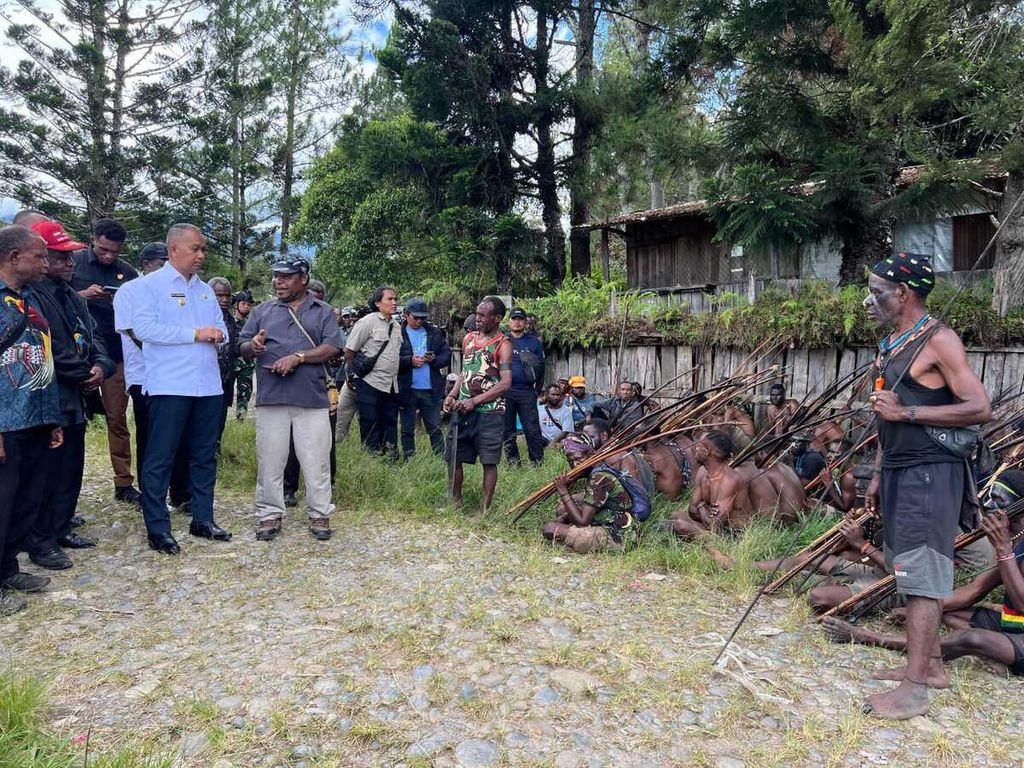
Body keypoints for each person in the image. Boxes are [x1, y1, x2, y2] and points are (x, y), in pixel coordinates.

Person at [859, 251, 991, 719]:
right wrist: (877, 472)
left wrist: (909, 413)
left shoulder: (940, 341)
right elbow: (885, 417)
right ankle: (932, 665)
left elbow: (979, 406)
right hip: (898, 470)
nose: (868, 301)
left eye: (877, 293)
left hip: (930, 473)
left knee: (922, 574)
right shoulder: (893, 342)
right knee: (905, 565)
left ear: (904, 292)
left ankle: (914, 690)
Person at [823, 471, 1024, 682]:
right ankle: (997, 650)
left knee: (970, 638)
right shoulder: (1016, 542)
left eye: (998, 500)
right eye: (988, 498)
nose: (989, 506)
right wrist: (920, 608)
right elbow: (973, 591)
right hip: (1011, 623)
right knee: (939, 615)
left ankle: (869, 637)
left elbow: (1021, 603)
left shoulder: (1007, 545)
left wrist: (1003, 550)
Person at [132, 224, 232, 554]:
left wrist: (217, 334)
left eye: (203, 249)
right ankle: (158, 528)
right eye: (195, 249)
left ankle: (202, 518)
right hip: (170, 384)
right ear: (174, 249)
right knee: (161, 456)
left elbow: (222, 330)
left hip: (208, 385)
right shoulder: (150, 286)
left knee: (204, 455)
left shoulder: (204, 290)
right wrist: (194, 334)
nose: (201, 255)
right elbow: (144, 328)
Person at [25, 222, 114, 569]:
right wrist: (82, 373)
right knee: (47, 473)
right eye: (61, 257)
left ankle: (60, 528)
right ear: (43, 258)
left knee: (71, 470)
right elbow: (52, 349)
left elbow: (95, 337)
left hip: (76, 397)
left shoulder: (71, 295)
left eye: (70, 255)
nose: (70, 263)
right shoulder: (32, 297)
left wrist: (101, 367)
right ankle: (40, 540)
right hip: (50, 396)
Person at [239, 257, 342, 541]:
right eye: (276, 276)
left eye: (286, 277)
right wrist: (254, 346)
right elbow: (242, 346)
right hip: (272, 398)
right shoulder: (262, 311)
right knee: (270, 461)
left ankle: (319, 513)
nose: (278, 281)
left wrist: (298, 357)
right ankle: (269, 514)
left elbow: (333, 347)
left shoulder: (321, 312)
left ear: (303, 278)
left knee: (316, 460)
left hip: (312, 398)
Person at [0, 225, 62, 615]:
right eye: (38, 255)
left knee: (25, 501)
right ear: (13, 258)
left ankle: (8, 568)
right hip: (5, 424)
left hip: (35, 418)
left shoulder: (27, 299)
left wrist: (51, 417)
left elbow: (41, 358)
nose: (45, 262)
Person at [70, 217, 140, 503]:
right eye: (103, 250)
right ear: (93, 240)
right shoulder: (72, 263)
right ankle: (64, 490)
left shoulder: (127, 272)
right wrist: (82, 296)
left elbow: (140, 311)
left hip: (115, 355)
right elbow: (50, 299)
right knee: (70, 423)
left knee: (117, 418)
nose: (109, 256)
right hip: (74, 356)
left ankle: (123, 482)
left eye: (115, 251)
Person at [445, 296, 512, 512]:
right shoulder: (469, 339)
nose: (478, 318)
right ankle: (455, 503)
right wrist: (453, 395)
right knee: (454, 456)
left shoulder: (503, 344)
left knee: (488, 461)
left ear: (497, 318)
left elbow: (505, 383)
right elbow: (466, 372)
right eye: (477, 314)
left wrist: (475, 401)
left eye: (484, 315)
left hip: (490, 412)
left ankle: (484, 510)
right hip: (463, 409)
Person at [542, 427, 650, 554]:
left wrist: (563, 490)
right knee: (563, 512)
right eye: (571, 461)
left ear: (591, 454)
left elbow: (582, 522)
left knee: (549, 528)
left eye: (578, 458)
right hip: (620, 528)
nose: (575, 464)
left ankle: (577, 546)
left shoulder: (599, 477)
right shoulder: (601, 469)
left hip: (618, 537)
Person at [345, 286, 402, 457]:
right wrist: (356, 374)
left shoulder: (396, 326)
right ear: (378, 302)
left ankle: (391, 460)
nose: (394, 302)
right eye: (389, 299)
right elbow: (350, 351)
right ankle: (372, 460)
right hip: (370, 382)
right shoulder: (367, 322)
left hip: (391, 384)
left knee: (390, 423)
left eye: (395, 299)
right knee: (370, 423)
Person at [397, 297, 452, 459]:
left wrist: (434, 360)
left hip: (430, 389)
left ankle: (441, 459)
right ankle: (409, 459)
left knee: (434, 428)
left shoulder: (433, 332)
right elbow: (390, 359)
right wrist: (409, 361)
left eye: (423, 318)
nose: (420, 321)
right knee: (407, 429)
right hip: (407, 388)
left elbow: (446, 354)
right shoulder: (397, 333)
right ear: (406, 315)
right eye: (416, 317)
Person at [503, 307, 546, 465]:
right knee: (507, 430)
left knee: (532, 429)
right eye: (514, 319)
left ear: (525, 322)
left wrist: (538, 391)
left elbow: (542, 367)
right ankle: (513, 463)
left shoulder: (534, 342)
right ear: (509, 322)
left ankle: (537, 462)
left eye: (520, 319)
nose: (517, 322)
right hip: (506, 391)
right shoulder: (503, 340)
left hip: (527, 392)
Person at [208, 277, 239, 445]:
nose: (225, 300)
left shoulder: (230, 319)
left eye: (227, 295)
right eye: (219, 295)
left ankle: (217, 448)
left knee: (221, 415)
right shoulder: (203, 315)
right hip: (208, 378)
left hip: (226, 378)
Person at [232, 290, 255, 419]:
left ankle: (240, 420)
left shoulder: (251, 323)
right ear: (236, 304)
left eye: (249, 304)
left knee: (245, 393)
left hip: (246, 364)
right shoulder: (228, 321)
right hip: (230, 364)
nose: (246, 306)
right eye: (244, 303)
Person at [538, 382, 574, 448]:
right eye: (553, 394)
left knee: (564, 443)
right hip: (544, 439)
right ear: (546, 394)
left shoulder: (565, 410)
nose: (556, 397)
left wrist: (553, 442)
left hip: (559, 440)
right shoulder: (539, 409)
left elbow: (566, 430)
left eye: (558, 395)